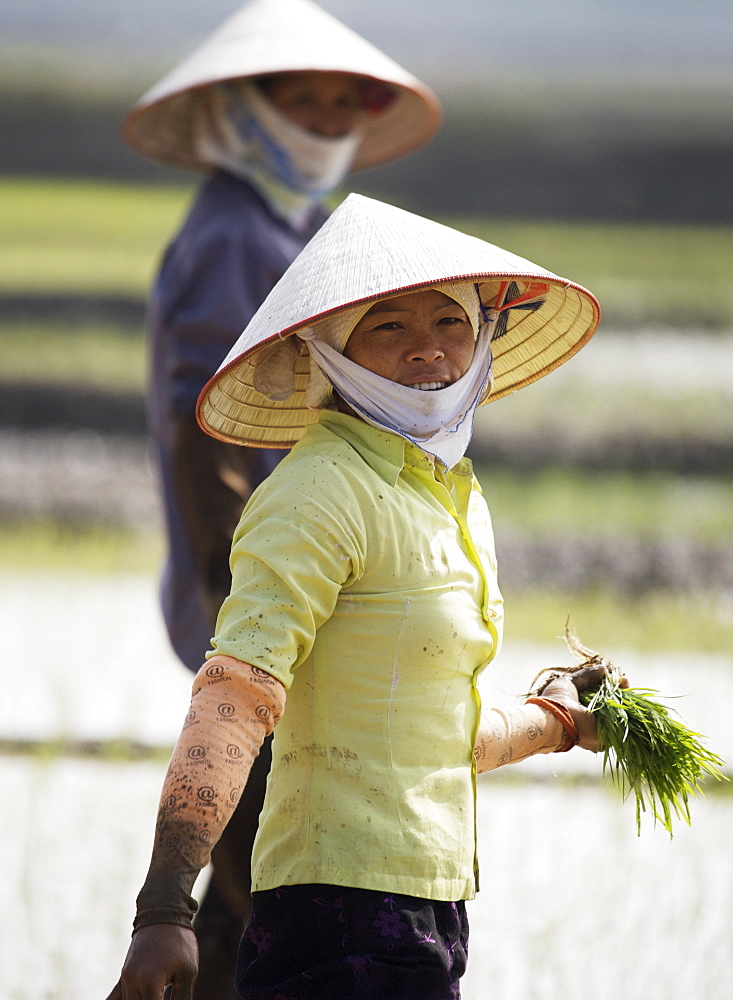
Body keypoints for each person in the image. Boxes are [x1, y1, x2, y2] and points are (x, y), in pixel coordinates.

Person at [107, 194, 608, 1000]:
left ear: (483, 336)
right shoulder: (318, 491)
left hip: (432, 907)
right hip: (334, 917)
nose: (427, 351)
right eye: (386, 327)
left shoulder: (448, 497)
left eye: (449, 322)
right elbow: (234, 698)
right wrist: (164, 908)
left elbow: (425, 733)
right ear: (332, 354)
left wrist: (556, 721)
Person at [121, 3, 441, 993]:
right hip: (269, 608)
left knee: (245, 909)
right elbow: (203, 430)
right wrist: (253, 620)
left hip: (296, 592)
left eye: (343, 106)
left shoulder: (287, 225)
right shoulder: (232, 235)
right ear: (242, 110)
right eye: (299, 103)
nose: (323, 121)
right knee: (282, 898)